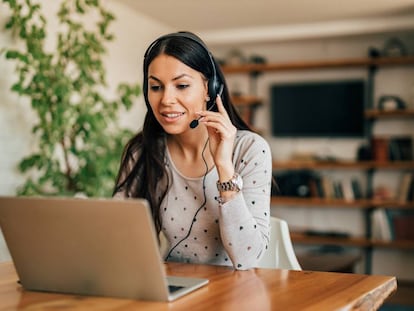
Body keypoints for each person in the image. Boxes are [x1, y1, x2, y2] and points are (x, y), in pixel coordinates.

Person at [113, 31, 272, 270]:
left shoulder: (249, 149)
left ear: (209, 88)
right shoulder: (144, 150)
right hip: (175, 288)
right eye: (156, 87)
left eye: (182, 85)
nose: (166, 99)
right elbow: (117, 237)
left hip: (238, 292)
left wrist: (224, 168)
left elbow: (246, 259)